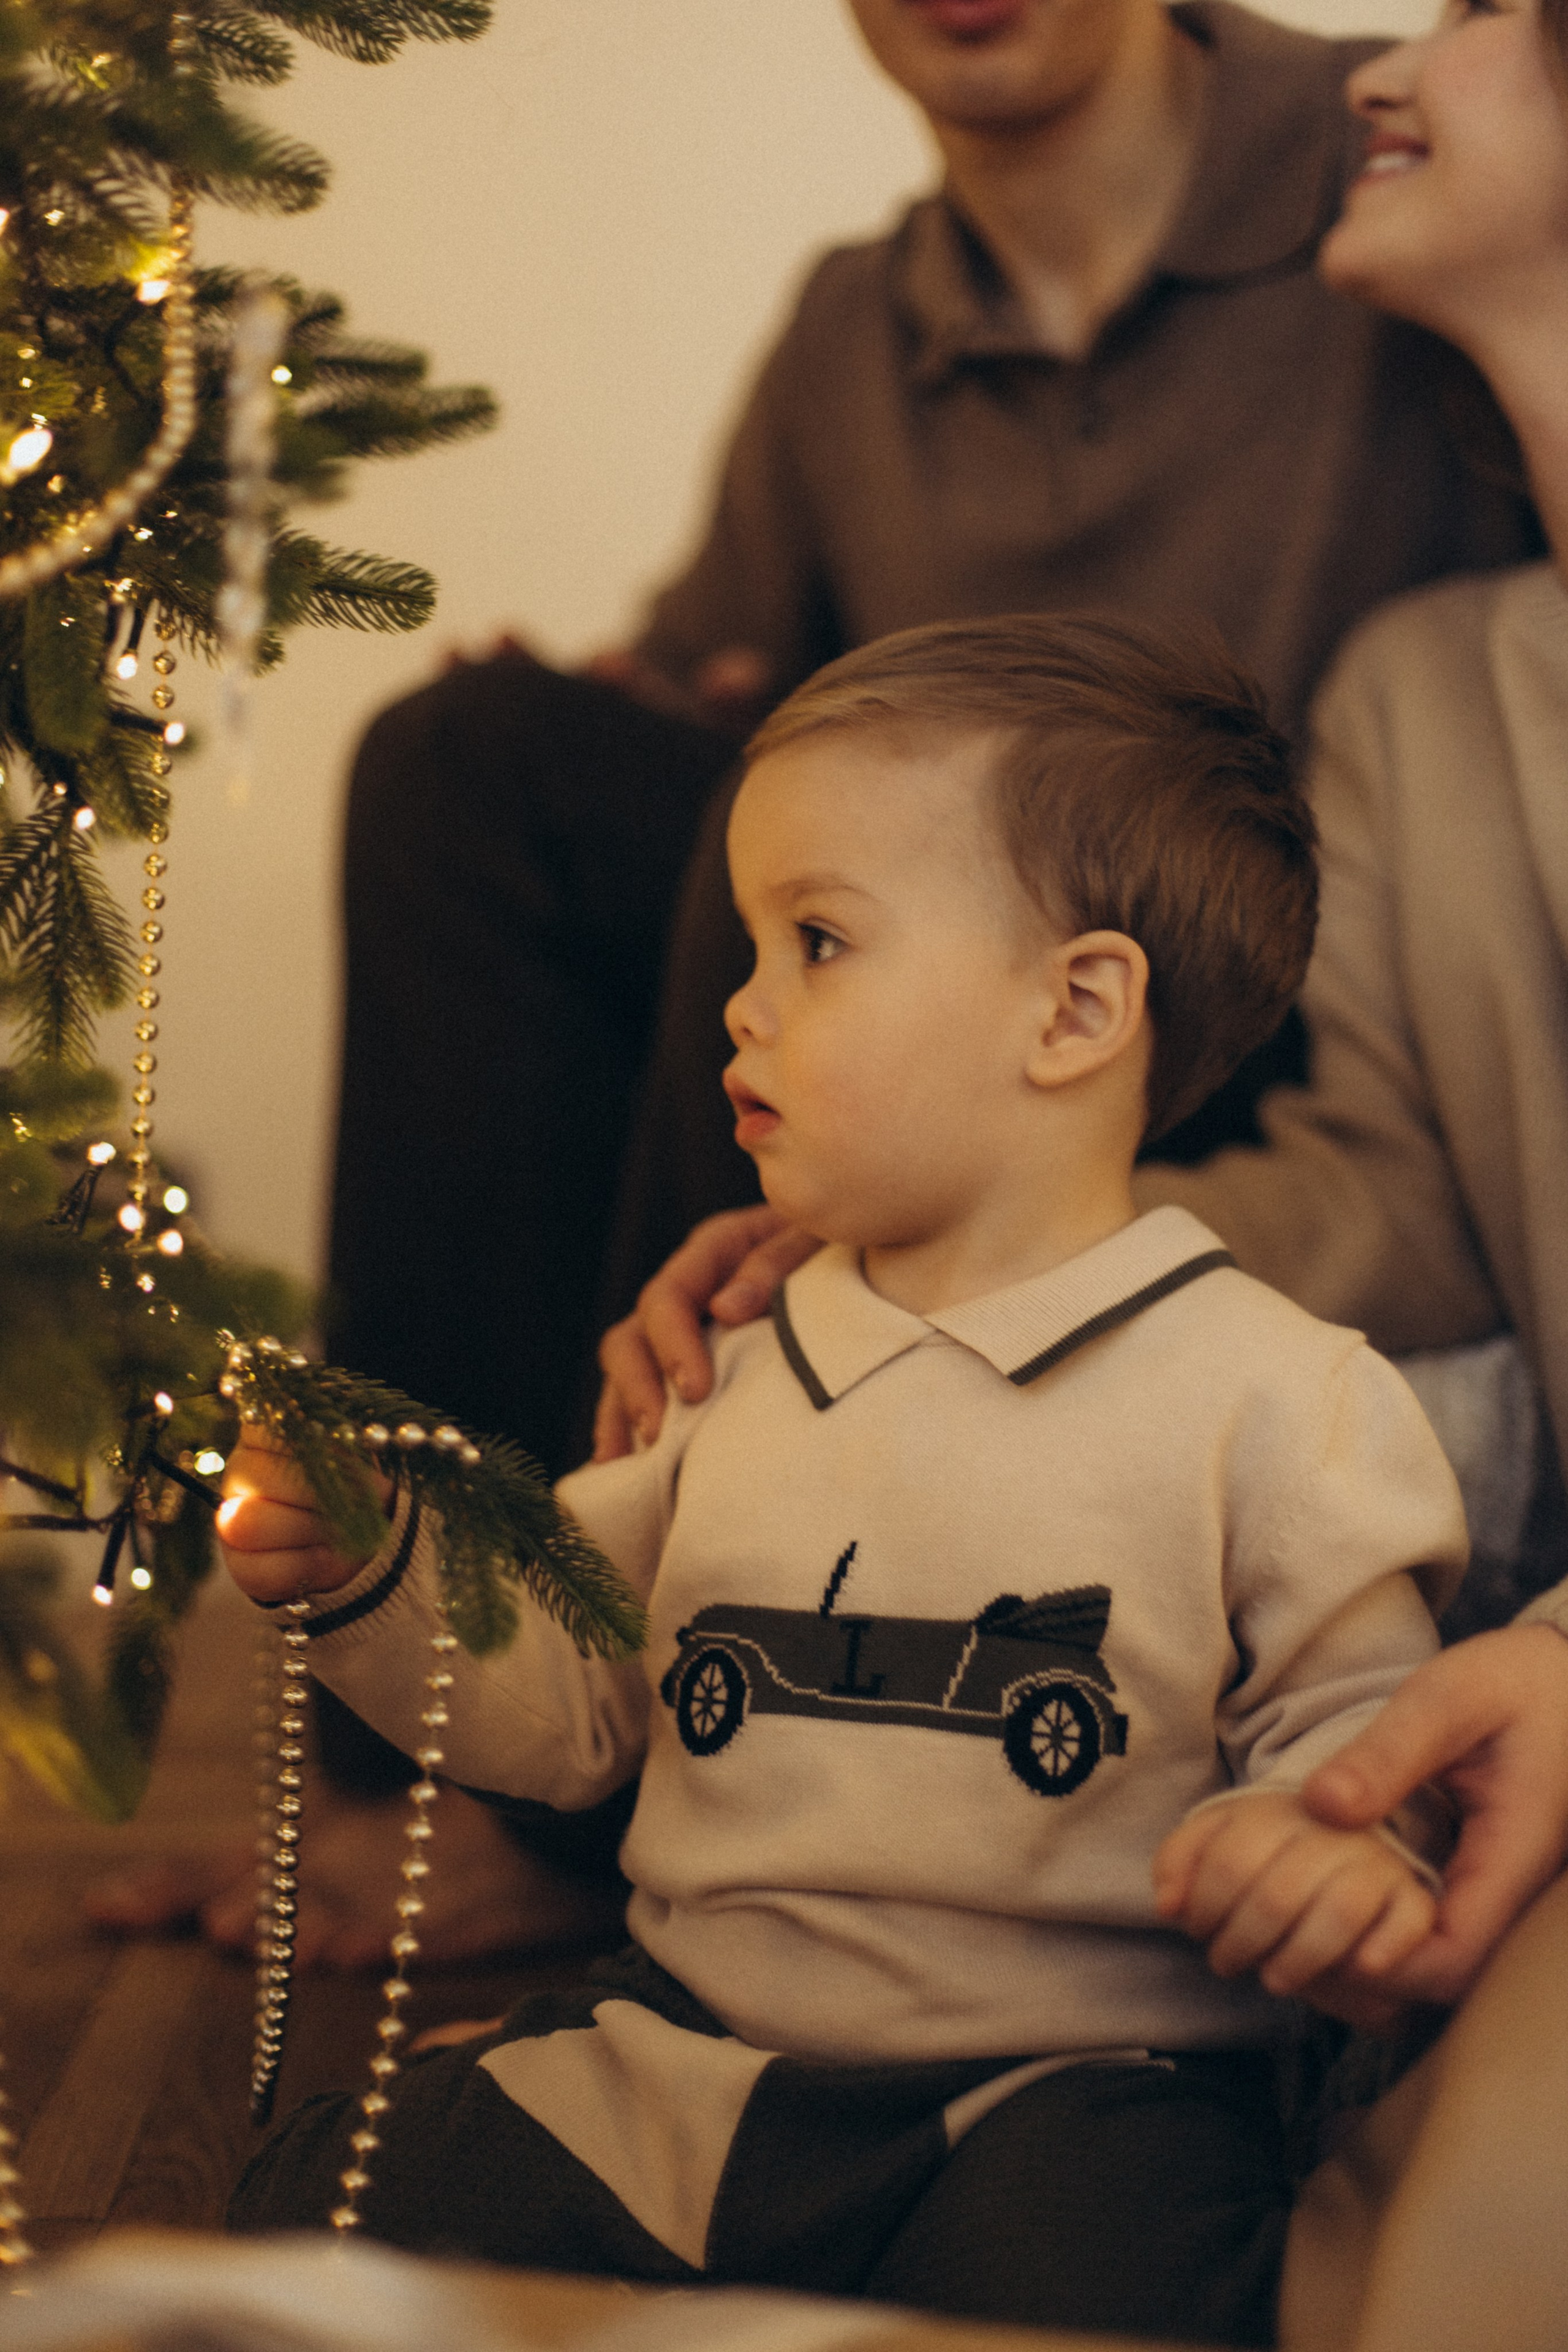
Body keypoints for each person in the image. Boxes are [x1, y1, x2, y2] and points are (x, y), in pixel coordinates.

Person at [221, 617, 1468, 2345]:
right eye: (754, 944)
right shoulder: (733, 1363)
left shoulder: (1277, 1395)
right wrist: (371, 1571)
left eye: (816, 941)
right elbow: (569, 1698)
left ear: (1076, 1010)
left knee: (1126, 2288)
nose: (742, 1003)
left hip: (1061, 2088)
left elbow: (1367, 1723)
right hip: (691, 2054)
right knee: (322, 2205)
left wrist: (1332, 1850)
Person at [601, 0, 1568, 2026]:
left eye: (1484, 13)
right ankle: (597, 1785)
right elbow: (1391, 1185)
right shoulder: (1427, 690)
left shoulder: (1327, 245)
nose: (1384, 66)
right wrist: (940, 1256)